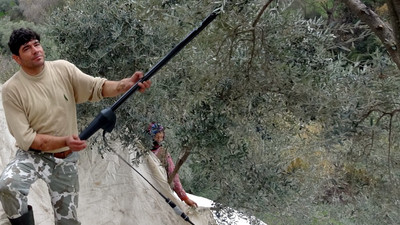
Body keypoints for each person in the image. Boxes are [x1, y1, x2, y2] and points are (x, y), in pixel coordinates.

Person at [0, 28, 151, 225]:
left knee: (68, 222)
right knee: (9, 184)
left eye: (37, 44)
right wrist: (65, 140)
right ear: (17, 59)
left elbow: (98, 87)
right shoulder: (11, 90)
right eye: (27, 48)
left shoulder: (63, 69)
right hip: (32, 155)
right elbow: (27, 139)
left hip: (65, 159)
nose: (35, 50)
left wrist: (126, 84)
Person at [147, 122, 198, 208]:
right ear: (151, 136)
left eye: (161, 137)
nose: (159, 140)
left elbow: (173, 175)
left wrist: (184, 197)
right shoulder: (139, 149)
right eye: (157, 137)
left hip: (155, 192)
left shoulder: (163, 153)